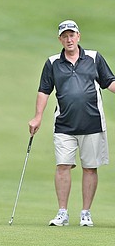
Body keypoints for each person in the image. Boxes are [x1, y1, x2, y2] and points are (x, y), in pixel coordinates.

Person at [28, 20, 115, 227]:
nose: (69, 39)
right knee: (62, 166)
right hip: (64, 125)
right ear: (60, 39)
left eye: (72, 35)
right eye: (65, 36)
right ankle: (62, 212)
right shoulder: (52, 62)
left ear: (78, 36)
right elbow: (44, 90)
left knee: (90, 168)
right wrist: (37, 116)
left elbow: (109, 82)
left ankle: (85, 213)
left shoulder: (94, 58)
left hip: (93, 123)